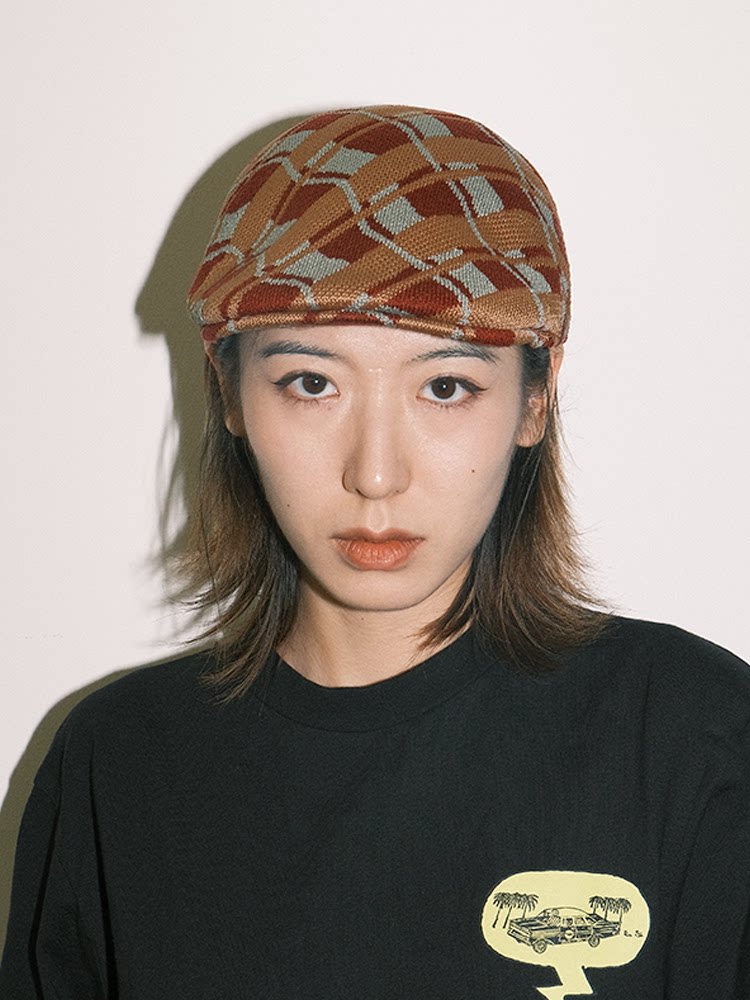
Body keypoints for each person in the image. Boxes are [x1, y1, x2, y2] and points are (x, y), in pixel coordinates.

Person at [1, 105, 748, 999]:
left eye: (446, 386)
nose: (376, 474)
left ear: (534, 402)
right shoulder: (117, 764)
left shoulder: (694, 738)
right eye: (311, 383)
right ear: (230, 395)